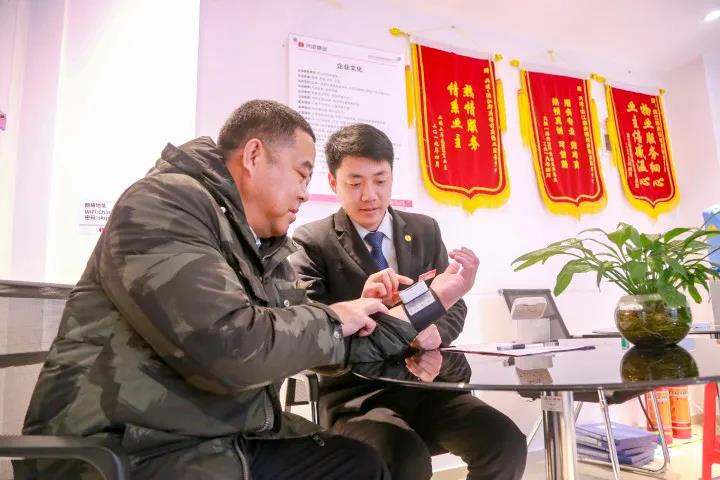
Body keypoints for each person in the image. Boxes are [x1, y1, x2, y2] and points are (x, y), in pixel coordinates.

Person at [16, 101, 475, 480]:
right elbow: (231, 346)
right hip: (134, 445)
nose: (305, 193)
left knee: (359, 463)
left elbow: (327, 336)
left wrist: (434, 298)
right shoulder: (165, 205)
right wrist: (336, 317)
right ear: (255, 155)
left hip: (210, 432)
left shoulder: (260, 245)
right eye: (301, 174)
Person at [291, 123, 527, 480]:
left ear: (392, 176)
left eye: (380, 180)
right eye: (355, 183)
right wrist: (360, 305)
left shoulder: (424, 229)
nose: (370, 194)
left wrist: (435, 333)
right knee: (405, 458)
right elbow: (312, 327)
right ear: (333, 183)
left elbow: (453, 303)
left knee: (504, 442)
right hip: (358, 394)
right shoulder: (312, 241)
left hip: (429, 383)